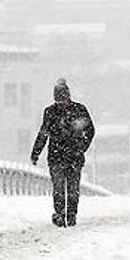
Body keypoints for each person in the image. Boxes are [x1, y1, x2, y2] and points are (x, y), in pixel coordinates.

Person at [30, 78, 95, 227]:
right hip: (57, 157)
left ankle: (71, 215)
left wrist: (81, 148)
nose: (61, 102)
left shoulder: (79, 110)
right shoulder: (50, 112)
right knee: (59, 188)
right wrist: (36, 152)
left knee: (72, 188)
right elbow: (43, 133)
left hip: (73, 156)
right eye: (58, 100)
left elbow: (90, 131)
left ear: (68, 96)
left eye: (63, 99)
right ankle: (60, 214)